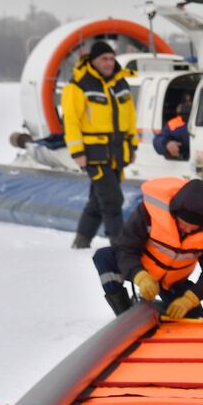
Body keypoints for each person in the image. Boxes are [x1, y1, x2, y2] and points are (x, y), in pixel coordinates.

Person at [92, 177, 203, 320]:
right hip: (143, 269)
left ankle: (161, 308)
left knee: (193, 321)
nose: (187, 230)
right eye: (183, 224)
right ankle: (124, 315)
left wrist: (190, 299)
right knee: (104, 257)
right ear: (175, 213)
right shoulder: (150, 213)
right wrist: (140, 275)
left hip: (174, 283)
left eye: (194, 227)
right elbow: (127, 247)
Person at [62, 40, 136, 249]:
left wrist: (133, 145)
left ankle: (81, 241)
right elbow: (71, 121)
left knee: (97, 201)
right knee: (112, 199)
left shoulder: (120, 83)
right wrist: (77, 152)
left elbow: (130, 115)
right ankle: (120, 245)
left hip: (117, 152)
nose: (109, 63)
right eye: (104, 59)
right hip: (94, 153)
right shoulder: (78, 85)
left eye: (112, 58)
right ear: (93, 61)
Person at [153, 93, 192, 161]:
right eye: (185, 102)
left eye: (190, 102)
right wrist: (167, 143)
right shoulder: (174, 124)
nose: (187, 105)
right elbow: (158, 140)